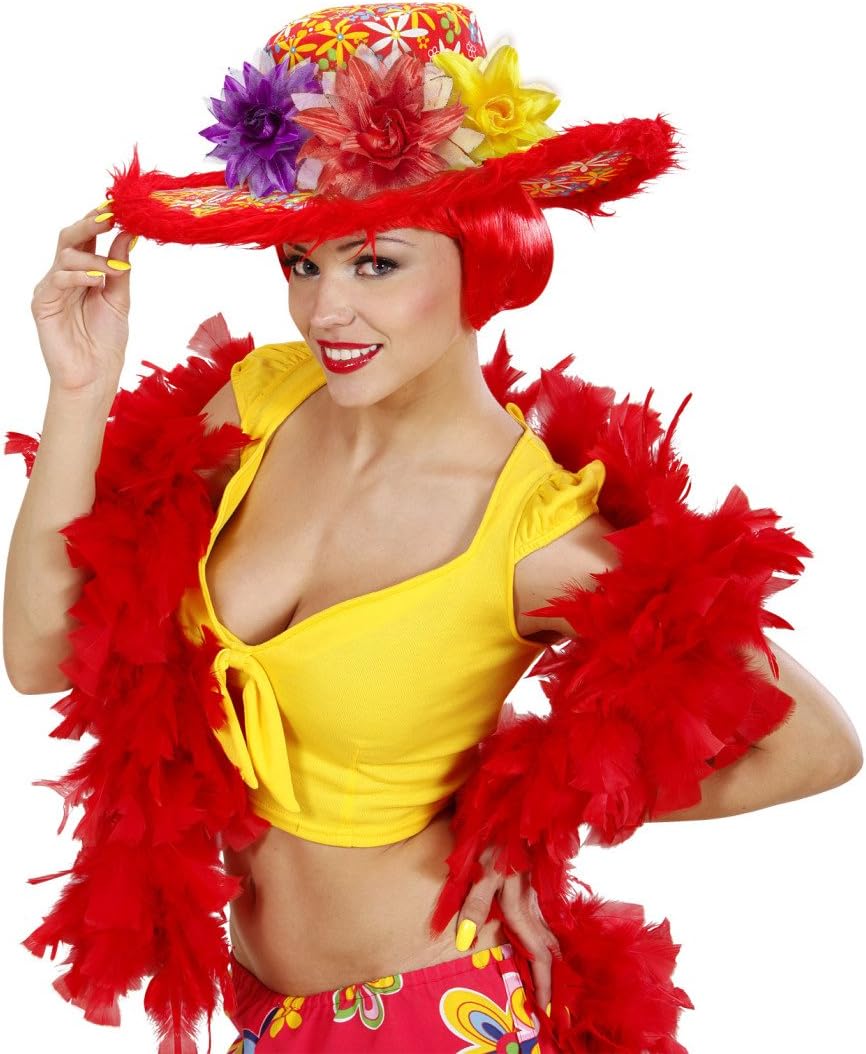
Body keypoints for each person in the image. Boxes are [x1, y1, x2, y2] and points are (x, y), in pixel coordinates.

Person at [4, 4, 862, 1052]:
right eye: (302, 263)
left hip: (435, 1014)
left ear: (482, 254)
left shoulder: (534, 534)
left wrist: (534, 820)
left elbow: (815, 747)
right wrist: (79, 391)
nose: (325, 312)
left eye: (375, 263)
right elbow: (39, 657)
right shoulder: (259, 403)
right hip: (261, 1017)